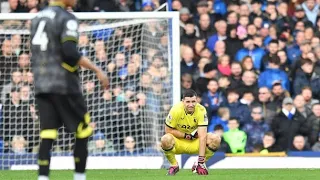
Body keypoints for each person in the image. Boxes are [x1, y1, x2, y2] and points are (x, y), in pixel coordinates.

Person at [30, 1, 109, 180]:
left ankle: (43, 177)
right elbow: (70, 52)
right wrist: (97, 69)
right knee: (84, 131)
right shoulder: (67, 18)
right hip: (64, 84)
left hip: (42, 84)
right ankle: (79, 176)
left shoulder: (36, 19)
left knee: (48, 133)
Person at [161, 89, 221, 176]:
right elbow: (168, 130)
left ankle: (198, 164)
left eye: (193, 101)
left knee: (216, 139)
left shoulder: (201, 110)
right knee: (165, 139)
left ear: (197, 101)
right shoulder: (176, 110)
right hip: (179, 142)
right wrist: (186, 136)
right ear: (183, 101)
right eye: (188, 102)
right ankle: (174, 165)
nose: (191, 104)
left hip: (194, 142)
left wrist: (201, 160)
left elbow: (203, 136)